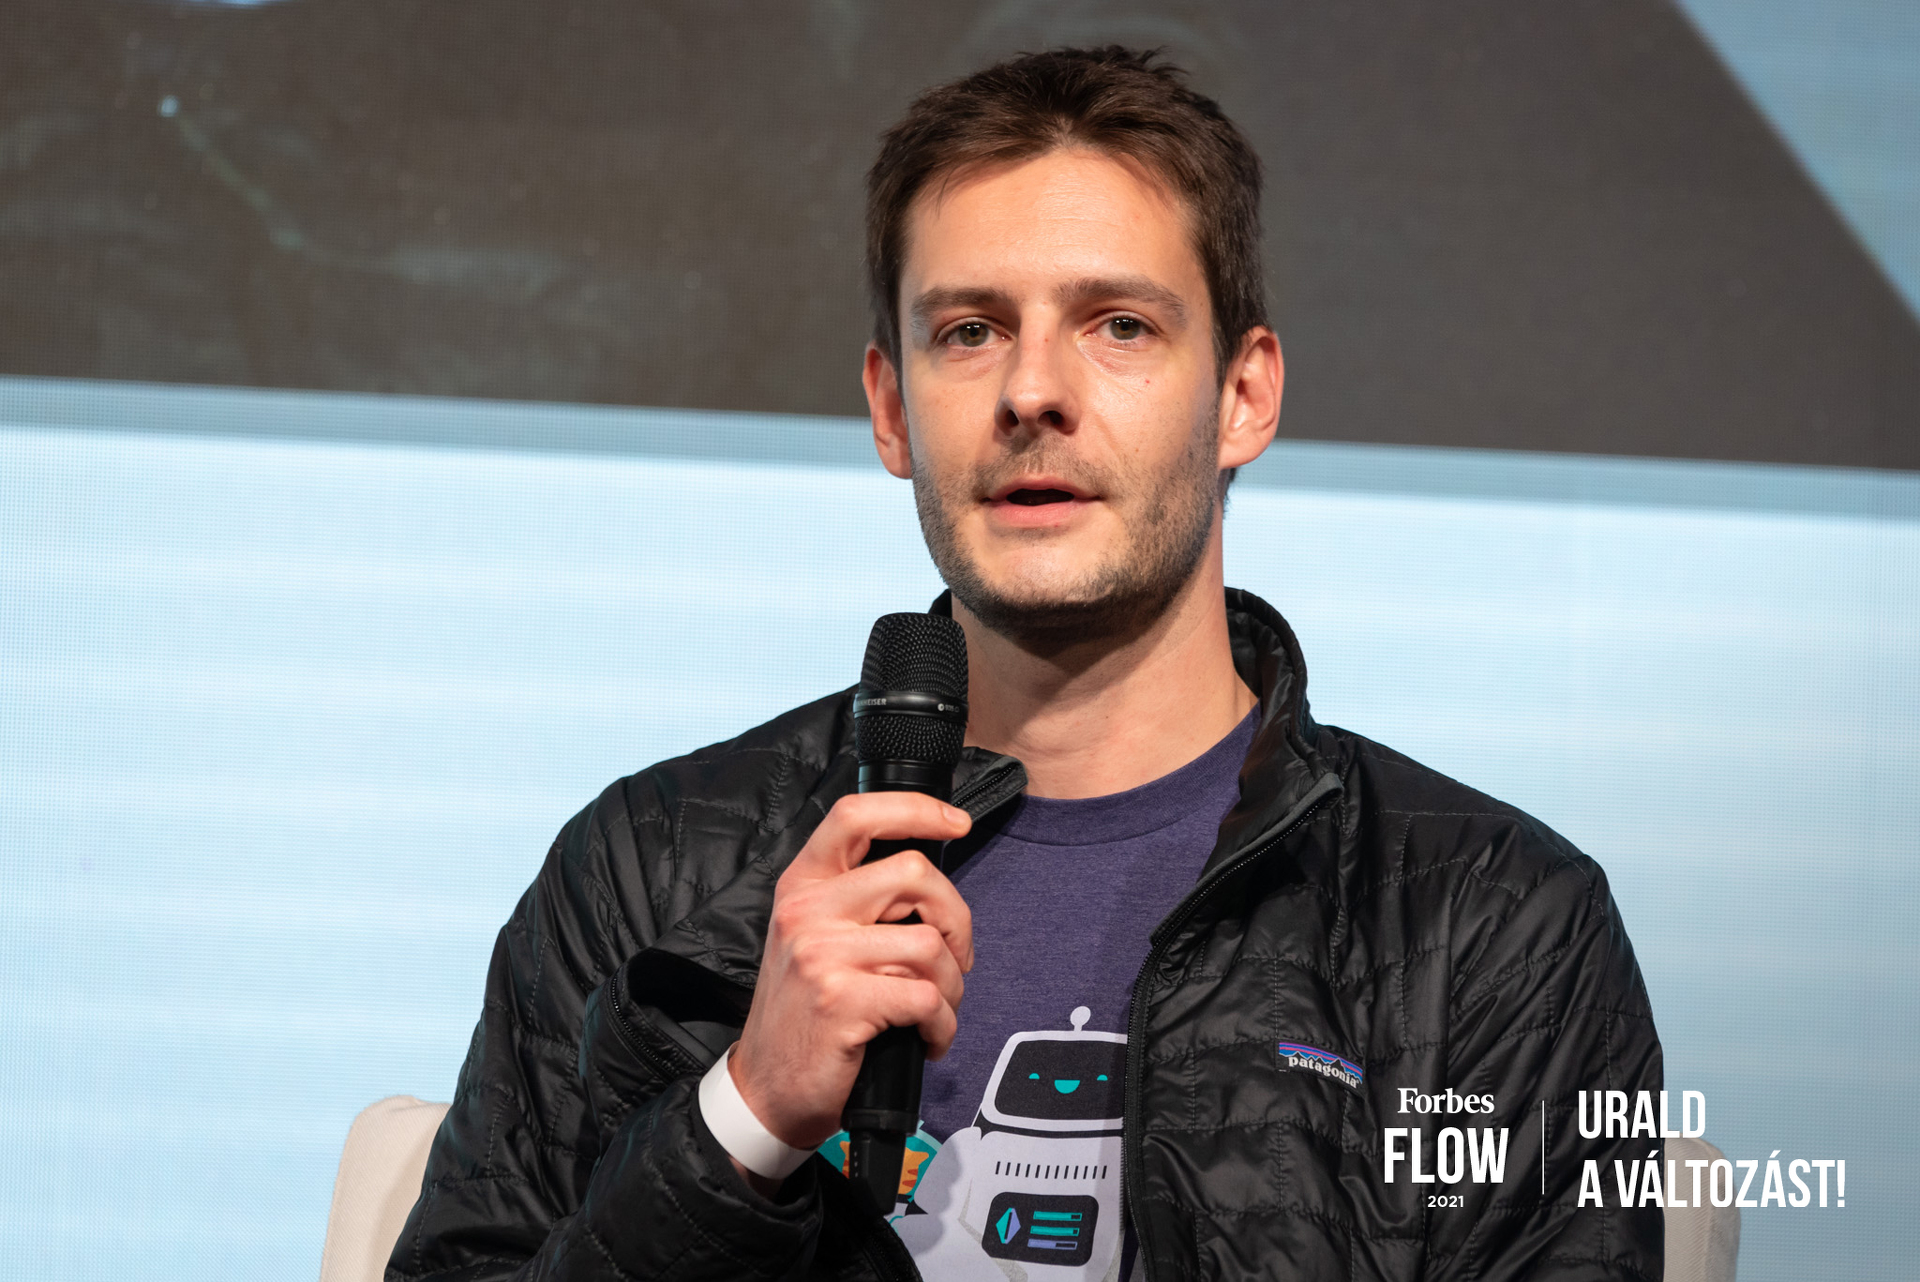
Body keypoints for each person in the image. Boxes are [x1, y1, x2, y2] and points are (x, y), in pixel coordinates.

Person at [388, 47, 1663, 1282]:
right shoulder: (648, 870)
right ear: (892, 408)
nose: (1033, 390)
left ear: (1245, 395)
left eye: (1119, 325)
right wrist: (747, 1114)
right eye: (969, 331)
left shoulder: (1495, 923)